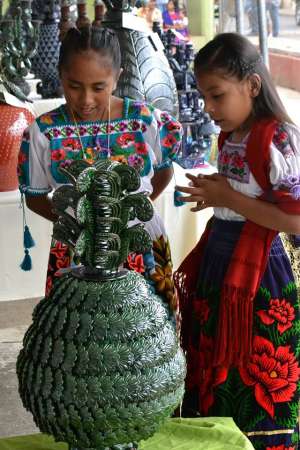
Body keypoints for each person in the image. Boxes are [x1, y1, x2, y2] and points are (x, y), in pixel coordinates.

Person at [174, 33, 300, 450]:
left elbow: (292, 220)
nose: (209, 108)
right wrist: (217, 190)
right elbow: (243, 195)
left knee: (256, 372)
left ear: (252, 85)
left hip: (262, 278)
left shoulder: (277, 137)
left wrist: (226, 197)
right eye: (204, 96)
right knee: (216, 365)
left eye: (217, 95)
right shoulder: (233, 135)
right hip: (222, 266)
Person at [18, 25, 182, 315]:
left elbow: (164, 172)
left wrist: (127, 215)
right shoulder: (44, 132)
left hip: (137, 240)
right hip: (76, 246)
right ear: (61, 76)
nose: (86, 100)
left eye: (98, 87)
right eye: (74, 86)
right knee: (79, 337)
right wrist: (82, 223)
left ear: (117, 78)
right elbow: (35, 197)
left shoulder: (145, 122)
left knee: (147, 333)